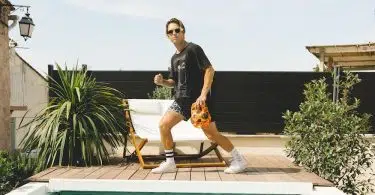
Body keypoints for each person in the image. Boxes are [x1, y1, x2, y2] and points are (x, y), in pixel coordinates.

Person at [152, 18, 247, 174]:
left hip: (198, 102)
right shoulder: (174, 58)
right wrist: (162, 82)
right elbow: (173, 82)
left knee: (212, 135)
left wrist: (203, 94)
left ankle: (239, 160)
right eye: (170, 31)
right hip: (181, 101)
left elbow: (209, 70)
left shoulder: (193, 49)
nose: (174, 33)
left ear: (183, 31)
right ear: (167, 36)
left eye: (177, 30)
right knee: (164, 125)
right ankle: (170, 162)